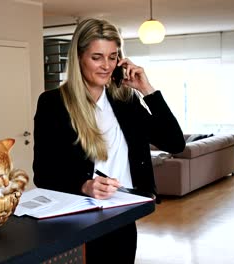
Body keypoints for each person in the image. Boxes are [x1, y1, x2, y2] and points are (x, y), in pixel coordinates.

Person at [33, 18, 186, 263]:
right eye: (97, 57)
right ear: (79, 57)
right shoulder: (53, 103)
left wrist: (147, 90)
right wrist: (84, 185)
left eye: (113, 57)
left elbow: (175, 142)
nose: (106, 66)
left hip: (123, 215)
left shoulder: (126, 100)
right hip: (79, 221)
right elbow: (42, 173)